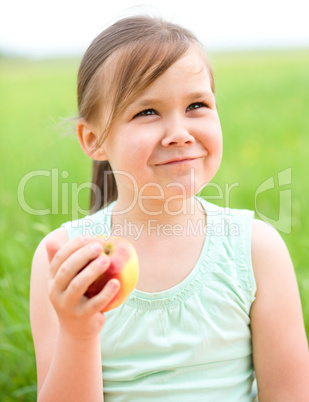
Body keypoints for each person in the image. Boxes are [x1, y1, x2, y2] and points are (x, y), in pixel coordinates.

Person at [30, 15, 309, 402]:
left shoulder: (255, 249)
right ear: (94, 139)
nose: (180, 134)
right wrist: (78, 332)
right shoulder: (67, 259)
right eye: (147, 112)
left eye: (197, 105)